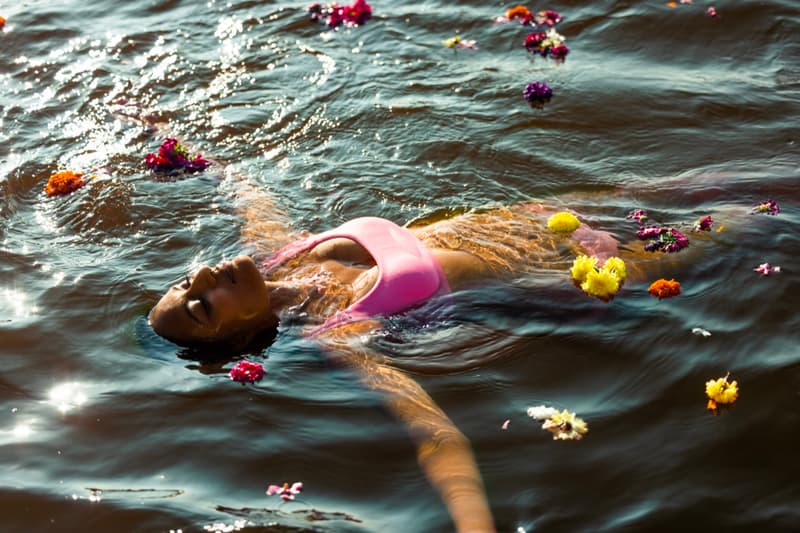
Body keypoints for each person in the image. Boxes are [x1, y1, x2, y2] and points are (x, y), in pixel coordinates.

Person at [149, 175, 629, 532]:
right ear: (237, 340)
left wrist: (158, 129)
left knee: (702, 180)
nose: (203, 279)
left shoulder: (279, 251)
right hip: (598, 271)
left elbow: (243, 187)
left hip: (540, 218)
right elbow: (435, 434)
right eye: (199, 306)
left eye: (183, 283)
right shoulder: (339, 332)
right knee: (704, 238)